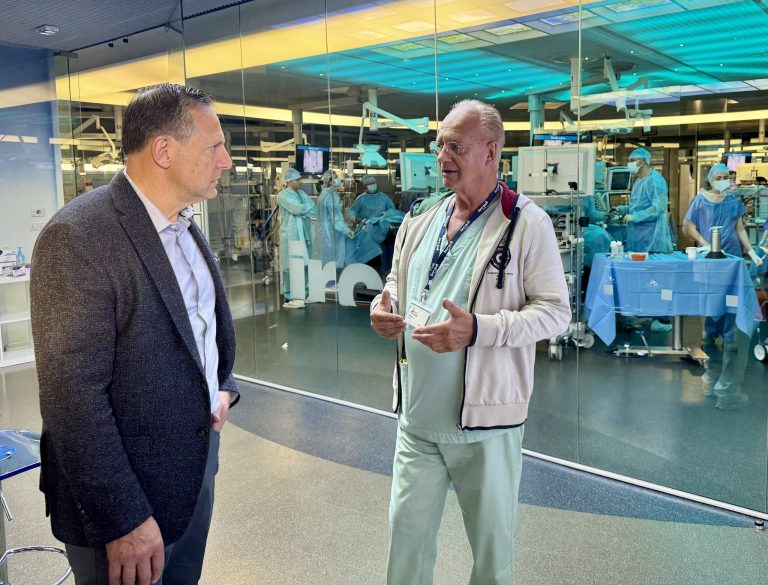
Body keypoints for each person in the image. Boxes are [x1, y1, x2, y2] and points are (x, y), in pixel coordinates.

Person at [30, 83, 239, 585]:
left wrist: (223, 385)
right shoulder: (79, 237)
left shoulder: (184, 226)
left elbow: (199, 328)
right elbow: (71, 399)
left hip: (194, 467)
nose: (226, 161)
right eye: (214, 147)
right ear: (164, 150)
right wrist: (123, 517)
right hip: (126, 499)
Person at [370, 100, 571, 585]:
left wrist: (479, 330)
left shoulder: (525, 224)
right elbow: (399, 281)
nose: (443, 157)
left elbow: (555, 313)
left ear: (491, 152)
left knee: (491, 556)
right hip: (417, 419)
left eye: (456, 147)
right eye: (439, 146)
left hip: (486, 426)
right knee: (406, 545)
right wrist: (383, 304)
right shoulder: (421, 218)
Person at [683, 163, 762, 409]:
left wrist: (751, 251)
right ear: (710, 179)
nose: (723, 180)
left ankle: (724, 388)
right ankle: (713, 381)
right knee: (712, 323)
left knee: (731, 322)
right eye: (718, 177)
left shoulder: (732, 201)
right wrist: (705, 243)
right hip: (710, 266)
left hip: (732, 264)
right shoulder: (699, 201)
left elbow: (739, 228)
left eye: (726, 176)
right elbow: (688, 227)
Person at [620, 147, 673, 253]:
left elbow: (657, 208)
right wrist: (622, 209)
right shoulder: (638, 181)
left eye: (632, 160)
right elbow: (637, 206)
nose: (629, 164)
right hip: (638, 234)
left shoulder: (655, 180)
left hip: (652, 235)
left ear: (643, 160)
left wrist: (635, 217)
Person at [277, 167, 317, 309]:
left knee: (304, 265)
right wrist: (304, 208)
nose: (301, 182)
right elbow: (297, 209)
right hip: (291, 235)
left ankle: (303, 294)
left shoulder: (302, 194)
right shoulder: (282, 195)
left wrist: (303, 208)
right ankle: (292, 296)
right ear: (290, 181)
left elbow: (313, 209)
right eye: (298, 180)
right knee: (291, 266)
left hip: (305, 234)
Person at [314, 169, 353, 270]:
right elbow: (336, 217)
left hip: (325, 230)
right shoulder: (330, 194)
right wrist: (347, 230)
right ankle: (334, 276)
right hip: (331, 231)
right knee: (333, 258)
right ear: (329, 181)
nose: (338, 180)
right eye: (335, 178)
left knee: (327, 258)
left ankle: (328, 276)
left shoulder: (325, 193)